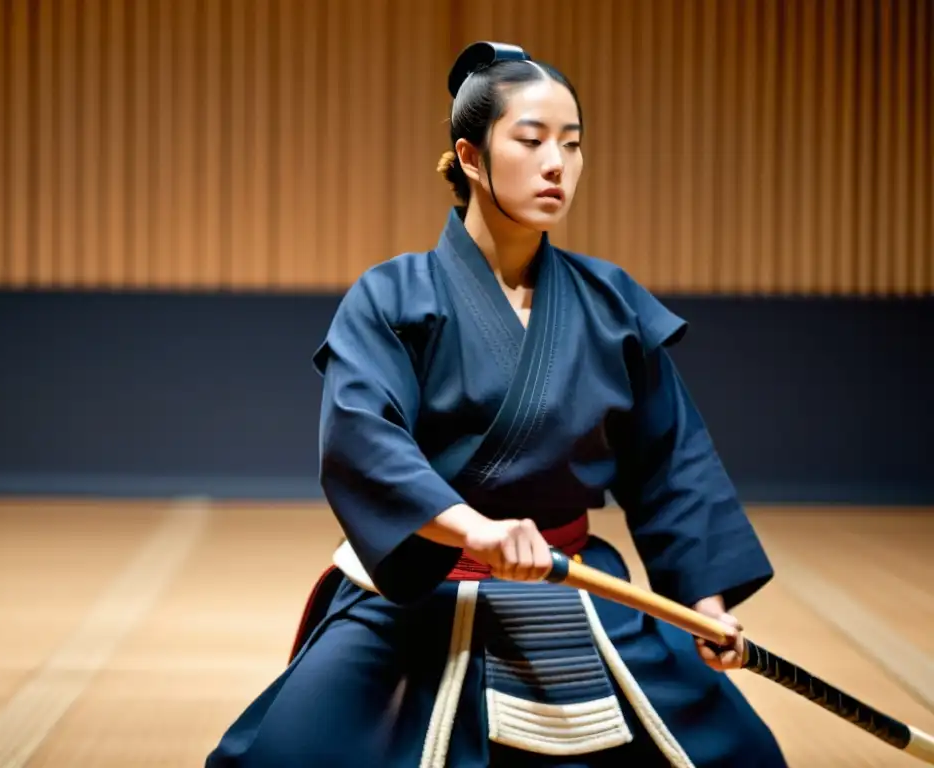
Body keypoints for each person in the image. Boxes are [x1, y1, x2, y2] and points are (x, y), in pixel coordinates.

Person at [205, 41, 788, 767]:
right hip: (423, 587)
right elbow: (362, 440)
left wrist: (705, 605)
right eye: (533, 139)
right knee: (289, 755)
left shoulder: (611, 305)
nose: (557, 165)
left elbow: (675, 462)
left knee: (740, 754)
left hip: (571, 572)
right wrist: (473, 530)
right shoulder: (392, 298)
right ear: (472, 157)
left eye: (573, 146)